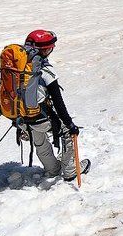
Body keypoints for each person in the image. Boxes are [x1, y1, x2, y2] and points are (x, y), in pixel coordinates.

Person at [21, 30, 90, 181]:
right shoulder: (45, 71)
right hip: (40, 116)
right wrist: (70, 124)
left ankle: (52, 169)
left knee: (38, 138)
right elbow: (59, 104)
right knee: (66, 130)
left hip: (22, 118)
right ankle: (71, 170)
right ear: (45, 50)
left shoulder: (18, 66)